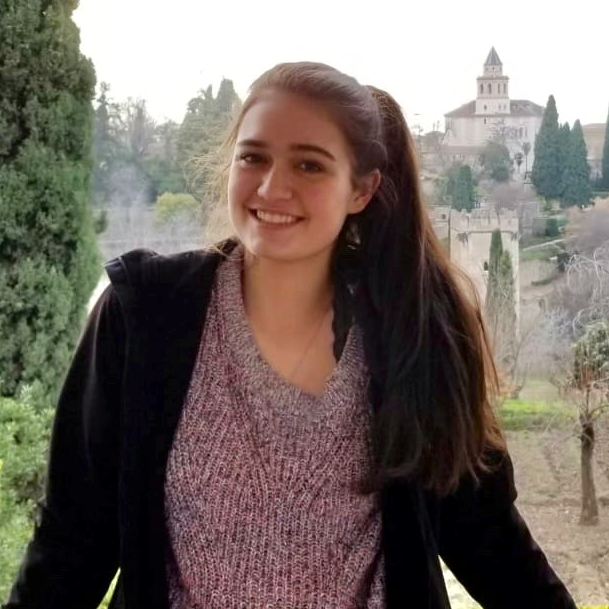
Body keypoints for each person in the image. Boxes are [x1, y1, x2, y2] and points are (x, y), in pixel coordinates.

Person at [4, 62, 576, 609]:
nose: (272, 187)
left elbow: (492, 544)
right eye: (254, 157)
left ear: (362, 189)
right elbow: (73, 542)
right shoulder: (145, 319)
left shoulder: (416, 331)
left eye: (309, 165)